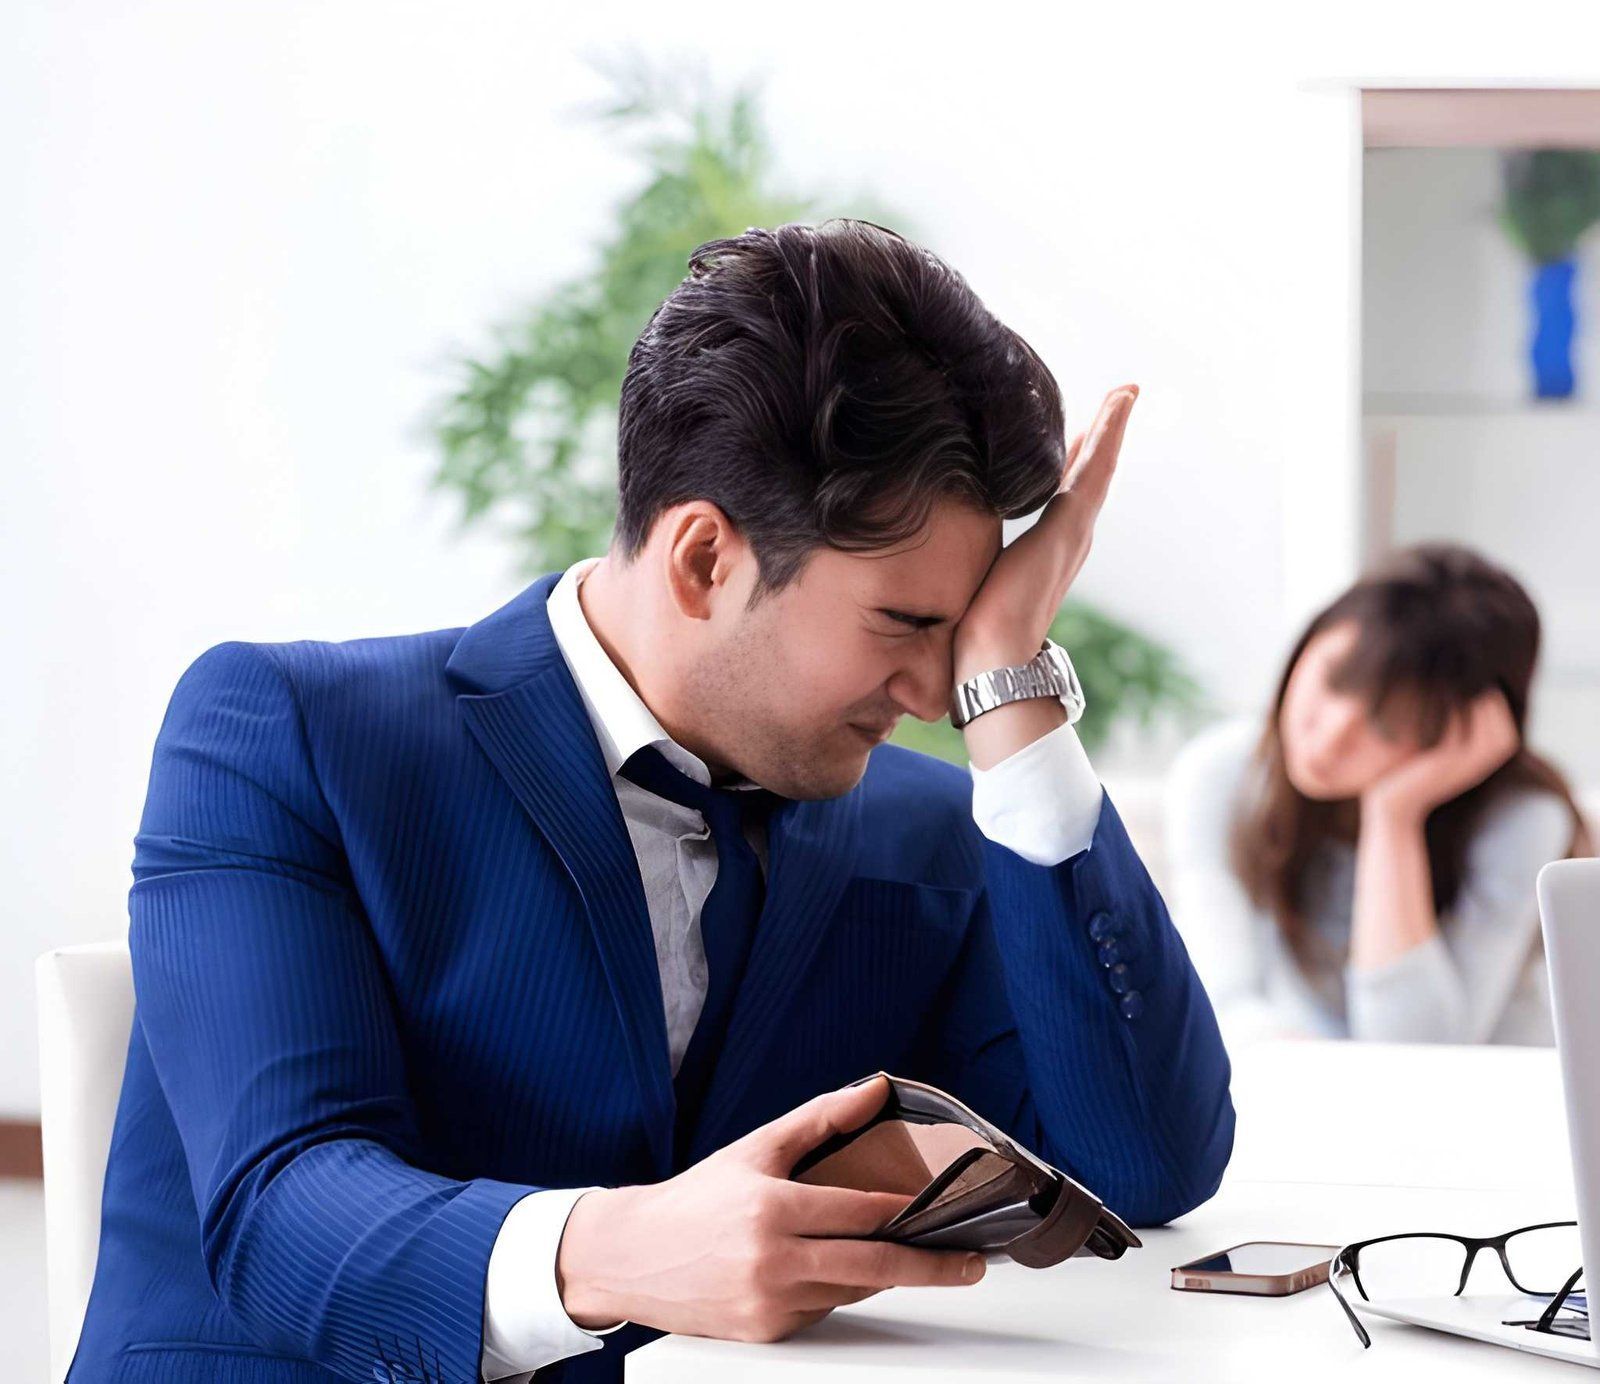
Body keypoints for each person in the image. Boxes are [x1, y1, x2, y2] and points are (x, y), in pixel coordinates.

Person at [71, 220, 1233, 1384]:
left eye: (967, 625)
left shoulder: (921, 829)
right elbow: (278, 1211)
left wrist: (1015, 687)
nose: (939, 691)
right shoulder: (286, 732)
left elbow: (1143, 1165)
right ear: (702, 560)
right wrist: (617, 1253)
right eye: (908, 623)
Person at [1166, 543, 1591, 1048]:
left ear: (1463, 736)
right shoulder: (1222, 774)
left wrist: (1394, 818)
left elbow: (1417, 1047)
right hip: (1312, 1087)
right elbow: (1222, 999)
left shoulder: (1523, 817)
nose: (1329, 738)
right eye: (1332, 678)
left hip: (1489, 1103)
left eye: (1389, 727)